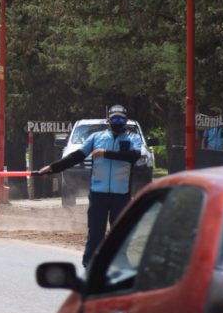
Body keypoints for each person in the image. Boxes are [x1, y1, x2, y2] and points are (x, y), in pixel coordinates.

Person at [36, 105, 143, 268]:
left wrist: (106, 153)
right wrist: (53, 168)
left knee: (120, 232)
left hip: (121, 194)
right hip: (98, 194)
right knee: (95, 232)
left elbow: (133, 157)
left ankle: (121, 264)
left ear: (126, 121)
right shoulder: (96, 137)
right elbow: (76, 156)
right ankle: (90, 264)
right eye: (115, 118)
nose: (118, 122)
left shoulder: (132, 138)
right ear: (108, 120)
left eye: (121, 119)